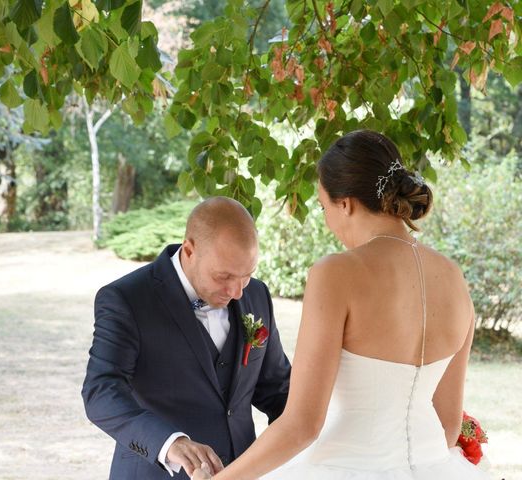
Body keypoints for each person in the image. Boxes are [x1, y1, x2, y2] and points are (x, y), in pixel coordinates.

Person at [193, 130, 490, 480]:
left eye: (323, 206)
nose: (326, 219)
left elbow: (302, 425)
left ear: (345, 203)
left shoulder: (336, 273)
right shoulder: (454, 277)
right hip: (434, 467)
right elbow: (447, 424)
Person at [82, 197, 291, 479]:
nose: (237, 291)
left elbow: (277, 390)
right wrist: (169, 443)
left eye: (246, 275)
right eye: (224, 276)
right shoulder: (127, 299)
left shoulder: (256, 294)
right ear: (190, 251)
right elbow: (100, 391)